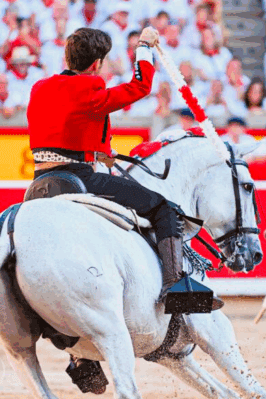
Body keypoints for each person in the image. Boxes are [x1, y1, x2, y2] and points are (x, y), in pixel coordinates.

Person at [26, 27, 222, 313]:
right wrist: (144, 47)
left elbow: (65, 124)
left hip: (39, 179)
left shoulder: (40, 87)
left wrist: (99, 151)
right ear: (96, 64)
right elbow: (140, 86)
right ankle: (175, 286)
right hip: (79, 178)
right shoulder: (90, 87)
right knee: (164, 208)